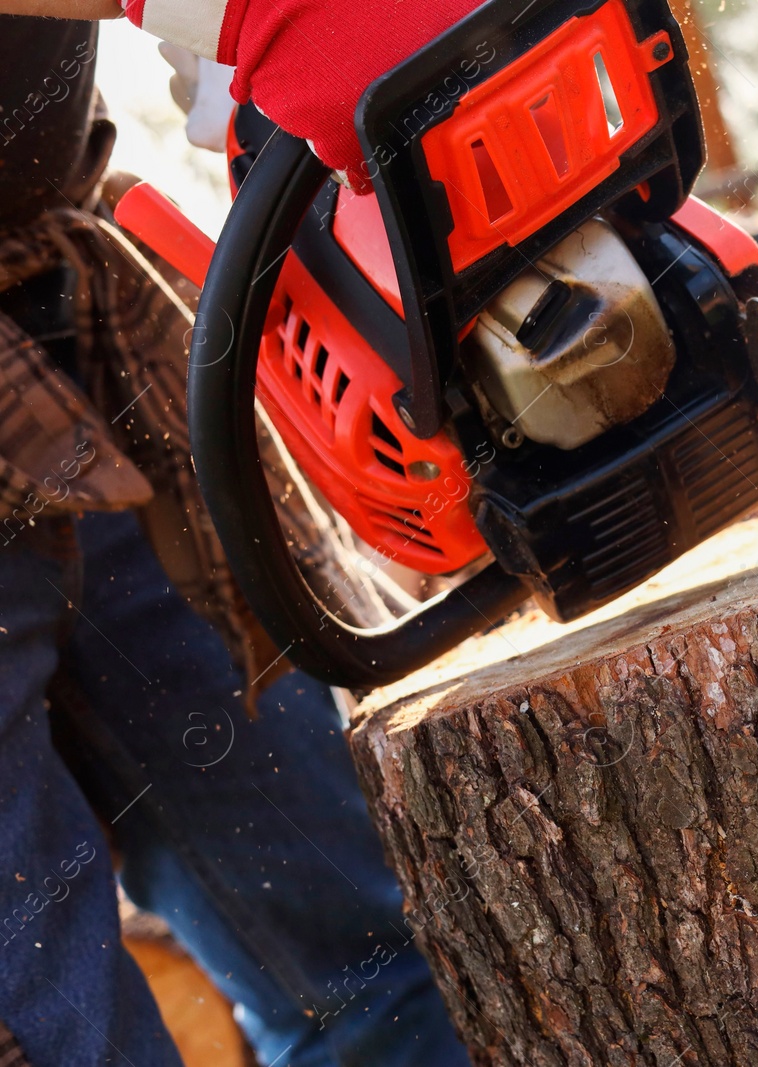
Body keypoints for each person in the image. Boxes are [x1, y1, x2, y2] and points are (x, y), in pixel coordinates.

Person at [0, 2, 494, 1062]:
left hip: (63, 356)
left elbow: (246, 80)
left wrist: (289, 73)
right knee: (63, 1037)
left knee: (365, 961)